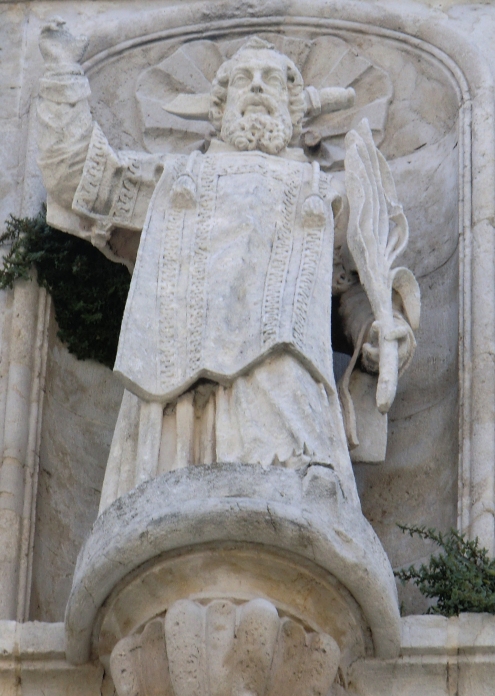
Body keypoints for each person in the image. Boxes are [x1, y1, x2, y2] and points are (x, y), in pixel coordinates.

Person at [37, 20, 417, 513]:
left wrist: (376, 334)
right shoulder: (172, 179)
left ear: (296, 107)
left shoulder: (329, 193)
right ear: (217, 110)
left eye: (272, 79)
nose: (257, 86)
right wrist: (63, 73)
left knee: (298, 506)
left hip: (286, 373)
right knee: (170, 501)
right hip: (177, 372)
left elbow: (357, 288)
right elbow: (79, 178)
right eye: (243, 79)